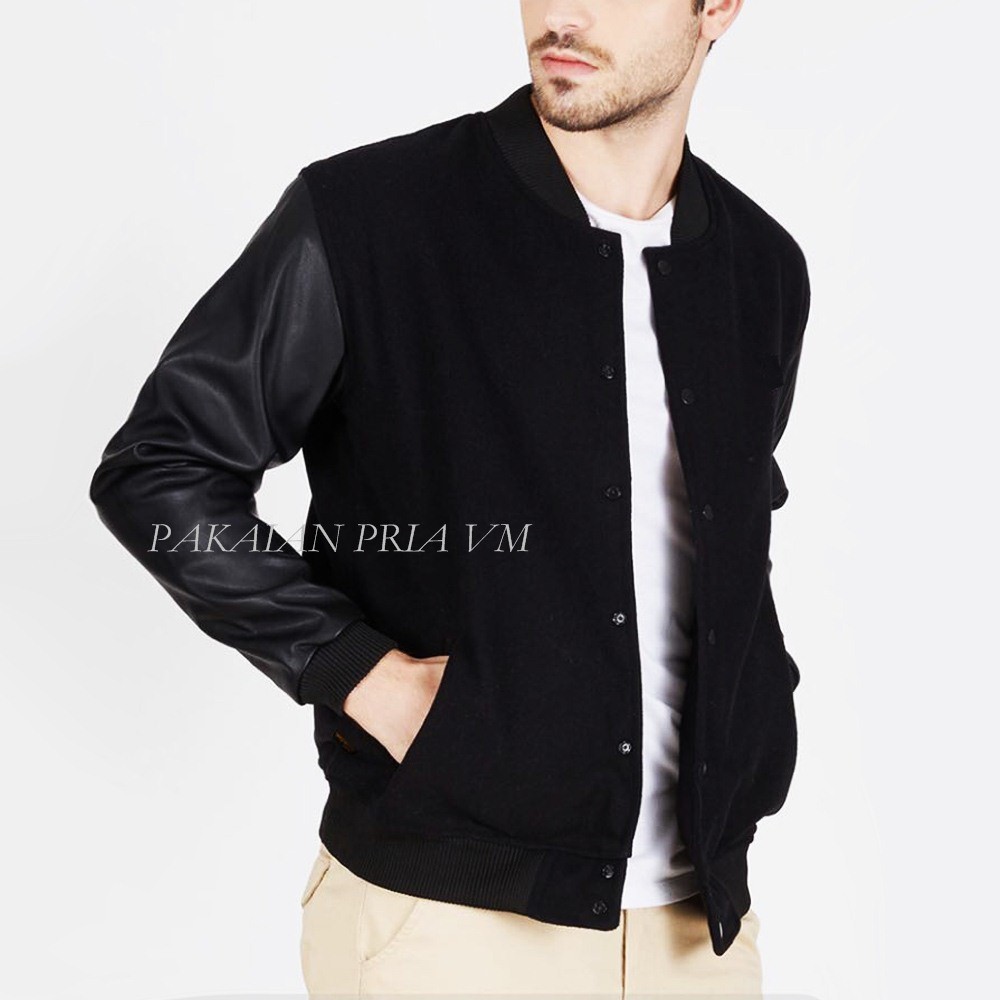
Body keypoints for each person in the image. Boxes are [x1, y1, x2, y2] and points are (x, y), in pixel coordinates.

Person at [89, 0, 810, 995]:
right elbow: (162, 469)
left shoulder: (759, 269)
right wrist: (358, 671)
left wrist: (760, 706)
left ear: (716, 7)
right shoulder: (372, 217)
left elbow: (722, 543)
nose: (562, 13)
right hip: (447, 930)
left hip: (702, 934)